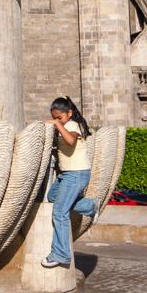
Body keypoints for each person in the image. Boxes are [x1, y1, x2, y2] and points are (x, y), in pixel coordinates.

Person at [41, 95, 99, 268]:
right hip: (66, 175)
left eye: (60, 117)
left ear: (69, 113)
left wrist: (58, 125)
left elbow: (71, 140)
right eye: (55, 118)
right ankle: (90, 206)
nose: (57, 120)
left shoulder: (73, 125)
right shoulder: (64, 126)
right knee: (52, 197)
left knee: (59, 212)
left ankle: (61, 254)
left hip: (77, 174)